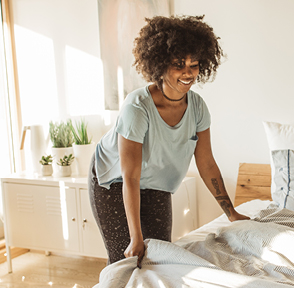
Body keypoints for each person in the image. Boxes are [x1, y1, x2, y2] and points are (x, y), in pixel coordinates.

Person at [88, 15, 249, 267]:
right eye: (178, 64)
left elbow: (206, 163)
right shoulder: (137, 108)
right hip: (114, 182)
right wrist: (135, 237)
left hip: (156, 184)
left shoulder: (197, 108)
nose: (188, 73)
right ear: (160, 64)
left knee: (160, 259)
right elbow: (130, 177)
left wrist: (231, 214)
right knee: (127, 261)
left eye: (194, 65)